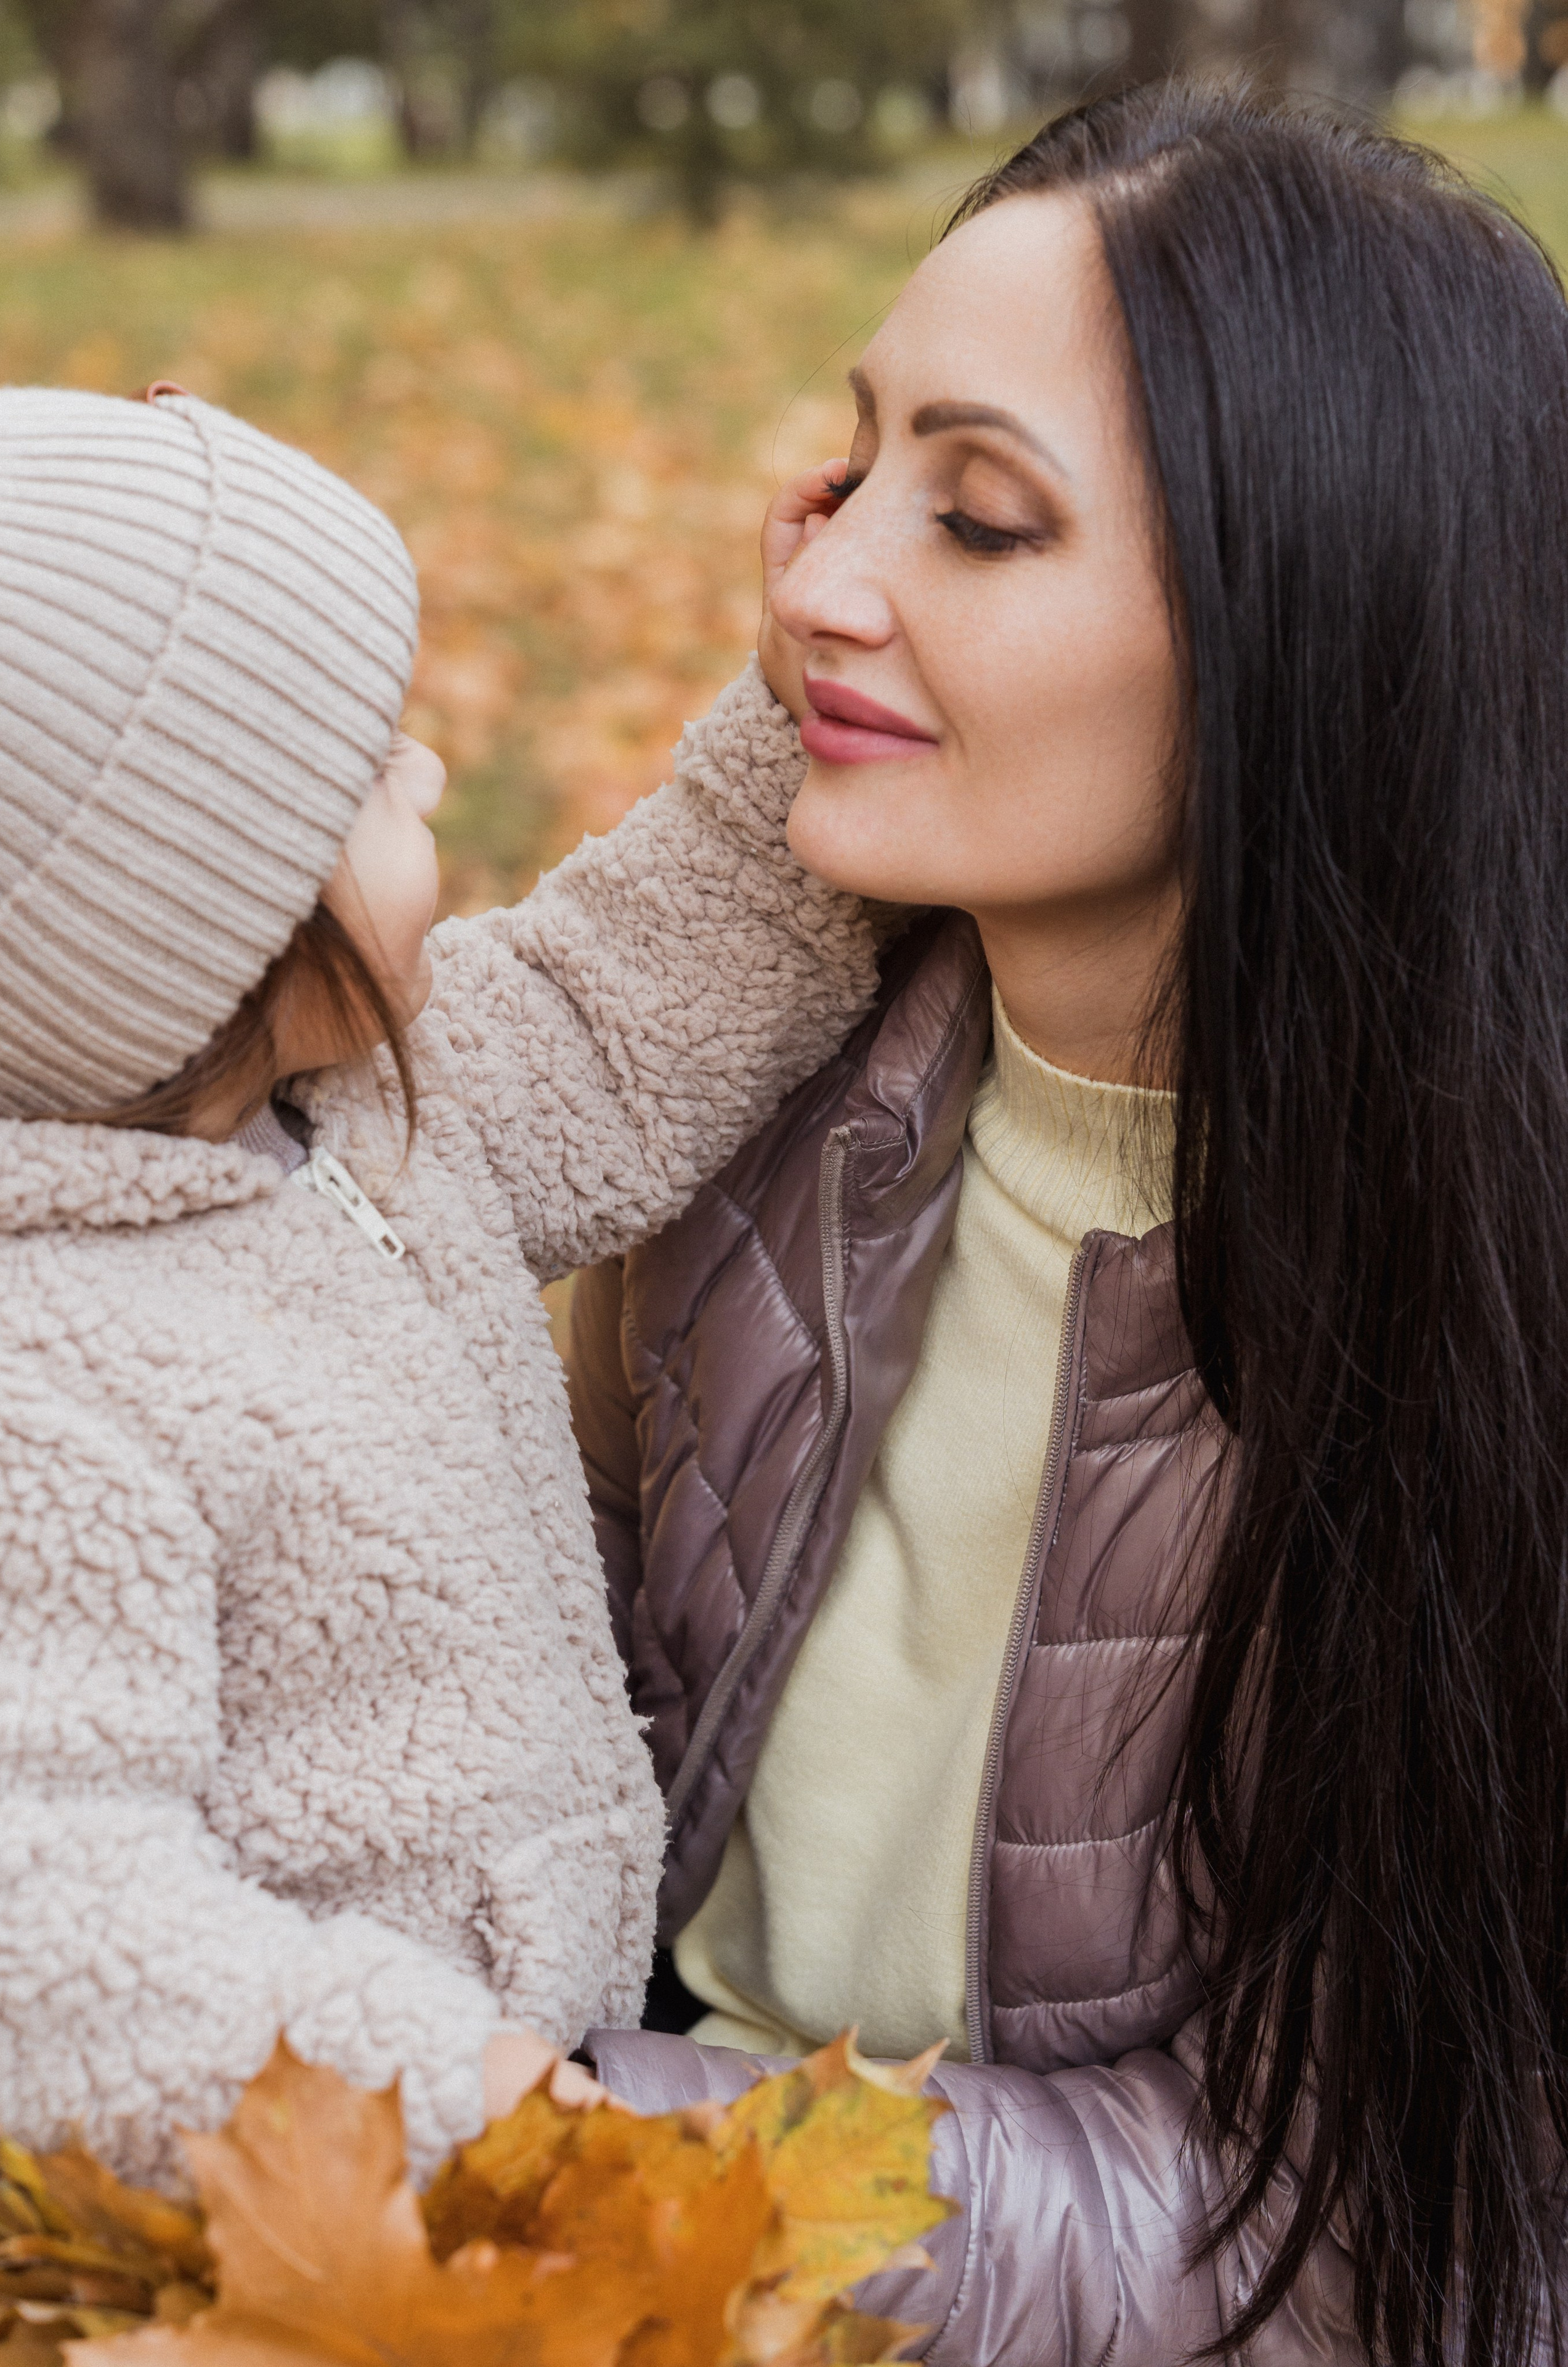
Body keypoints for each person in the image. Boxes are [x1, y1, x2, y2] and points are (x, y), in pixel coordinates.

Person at [566, 80, 1568, 2367]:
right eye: (850, 472)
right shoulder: (748, 1099)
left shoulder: (1492, 1308)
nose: (815, 588)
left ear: (1312, 626)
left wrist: (577, 2146)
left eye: (983, 519)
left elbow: (1354, 2233)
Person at [0, 382, 880, 2184]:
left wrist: (803, 709)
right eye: (365, 774)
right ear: (187, 929)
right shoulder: (50, 1391)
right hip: (333, 2212)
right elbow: (53, 1935)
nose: (432, 771)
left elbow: (632, 998)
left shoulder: (377, 1105)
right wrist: (482, 2104)